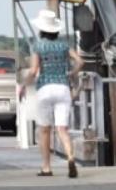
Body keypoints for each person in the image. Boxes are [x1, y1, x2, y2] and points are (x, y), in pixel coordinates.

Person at [19, 9, 83, 178]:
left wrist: (24, 85)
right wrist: (72, 73)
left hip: (45, 88)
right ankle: (70, 157)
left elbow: (33, 71)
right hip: (63, 88)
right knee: (62, 129)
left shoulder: (38, 46)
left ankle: (46, 167)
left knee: (45, 130)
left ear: (41, 29)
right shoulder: (64, 45)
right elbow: (80, 61)